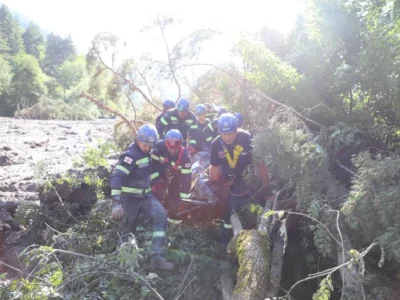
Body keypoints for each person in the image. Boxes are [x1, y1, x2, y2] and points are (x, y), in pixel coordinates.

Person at [110, 124, 175, 270]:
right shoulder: (130, 156)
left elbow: (149, 172)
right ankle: (125, 265)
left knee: (160, 215)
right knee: (127, 229)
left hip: (146, 196)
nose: (148, 148)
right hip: (128, 199)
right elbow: (116, 177)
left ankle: (157, 257)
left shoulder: (149, 152)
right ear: (138, 140)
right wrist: (116, 203)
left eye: (150, 145)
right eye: (145, 145)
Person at [208, 113, 269, 244]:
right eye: (224, 134)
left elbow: (261, 164)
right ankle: (225, 240)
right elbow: (213, 168)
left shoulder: (246, 139)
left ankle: (249, 238)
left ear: (236, 130)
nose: (227, 137)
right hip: (226, 179)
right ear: (219, 132)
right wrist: (216, 191)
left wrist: (266, 188)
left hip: (245, 180)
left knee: (244, 208)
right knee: (227, 208)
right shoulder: (216, 144)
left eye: (230, 133)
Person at [151, 129, 192, 219]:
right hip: (160, 173)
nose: (172, 151)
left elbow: (186, 180)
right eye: (170, 147)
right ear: (166, 144)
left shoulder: (185, 157)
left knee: (174, 199)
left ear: (180, 145)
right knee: (155, 189)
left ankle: (172, 215)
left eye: (175, 147)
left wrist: (183, 199)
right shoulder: (159, 147)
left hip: (176, 178)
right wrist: (156, 179)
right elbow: (151, 163)